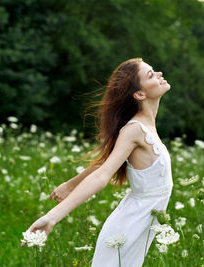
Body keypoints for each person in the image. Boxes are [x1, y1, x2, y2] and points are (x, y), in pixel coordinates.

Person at [23, 58, 173, 266]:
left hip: (140, 226)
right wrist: (52, 216)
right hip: (126, 229)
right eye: (150, 75)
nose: (158, 74)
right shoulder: (135, 130)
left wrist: (71, 184)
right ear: (139, 94)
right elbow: (103, 175)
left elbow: (106, 161)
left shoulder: (145, 127)